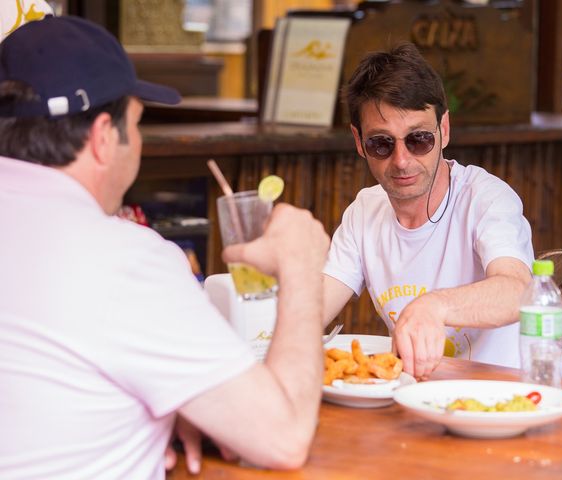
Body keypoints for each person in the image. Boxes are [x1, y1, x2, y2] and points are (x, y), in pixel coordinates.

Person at [0, 16, 329, 479]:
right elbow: (284, 438)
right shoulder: (124, 258)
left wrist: (169, 403)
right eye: (136, 124)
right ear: (101, 138)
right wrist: (300, 267)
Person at [323, 43, 534, 379]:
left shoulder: (487, 199)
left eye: (418, 139)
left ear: (444, 130)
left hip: (498, 404)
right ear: (359, 143)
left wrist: (434, 306)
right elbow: (316, 308)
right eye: (381, 143)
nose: (402, 160)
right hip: (411, 402)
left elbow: (520, 291)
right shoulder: (365, 210)